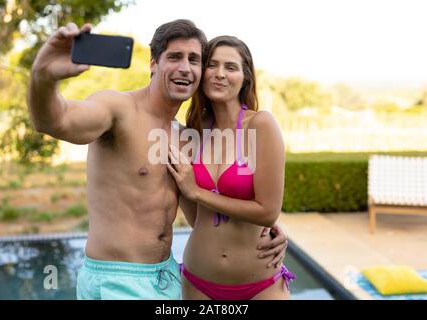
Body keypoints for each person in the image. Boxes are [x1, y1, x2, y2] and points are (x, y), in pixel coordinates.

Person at [27, 19, 288, 300]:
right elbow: (57, 120)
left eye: (194, 60)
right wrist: (44, 77)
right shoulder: (119, 108)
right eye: (174, 57)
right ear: (153, 62)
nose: (185, 68)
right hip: (118, 279)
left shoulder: (186, 137)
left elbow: (200, 212)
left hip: (168, 277)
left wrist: (262, 228)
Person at [167, 35, 295, 300]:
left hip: (261, 286)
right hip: (198, 282)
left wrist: (199, 192)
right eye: (212, 65)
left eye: (231, 67)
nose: (220, 74)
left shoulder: (260, 125)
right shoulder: (192, 135)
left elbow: (268, 212)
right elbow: (196, 218)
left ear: (245, 77)